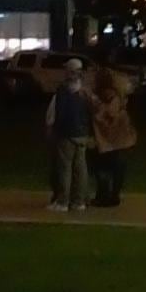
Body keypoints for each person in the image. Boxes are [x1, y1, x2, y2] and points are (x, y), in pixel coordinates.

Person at [45, 58, 94, 211]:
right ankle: (79, 201)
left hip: (66, 133)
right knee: (81, 168)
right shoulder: (86, 91)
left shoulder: (63, 90)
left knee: (64, 168)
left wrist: (52, 128)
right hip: (82, 133)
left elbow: (55, 113)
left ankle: (62, 201)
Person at [89, 67, 137, 209]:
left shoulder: (105, 99)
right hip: (120, 140)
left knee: (102, 168)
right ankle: (113, 195)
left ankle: (104, 196)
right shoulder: (119, 97)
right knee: (117, 169)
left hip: (107, 141)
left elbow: (104, 118)